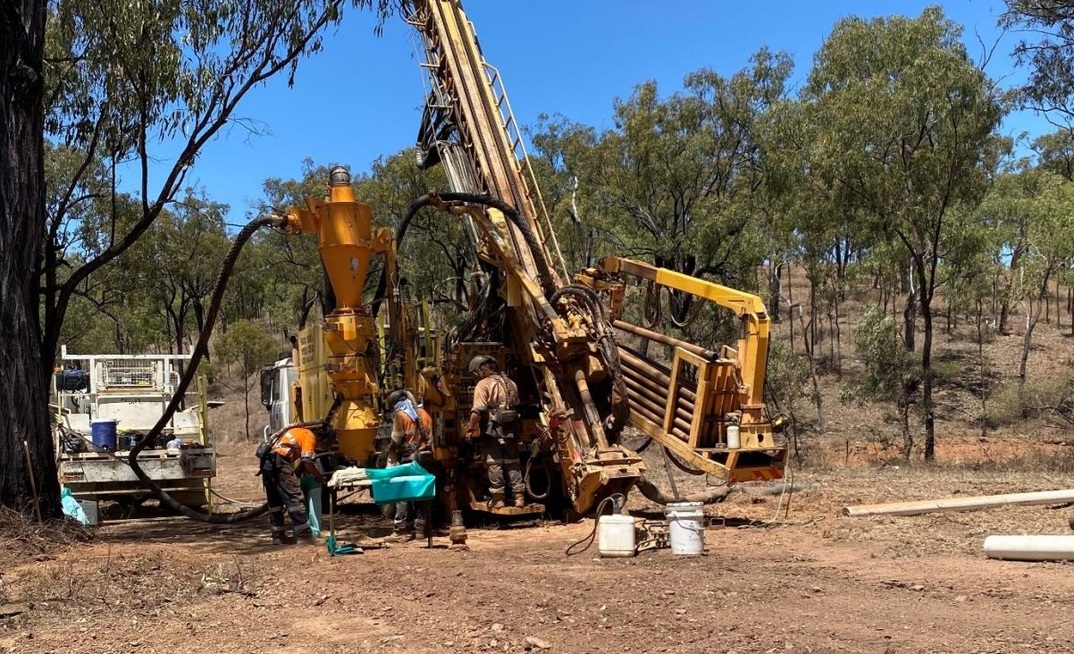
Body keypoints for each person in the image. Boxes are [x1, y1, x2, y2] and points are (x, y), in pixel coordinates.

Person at [466, 355, 525, 509]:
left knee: (494, 463)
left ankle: (498, 499)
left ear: (481, 369)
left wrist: (470, 429)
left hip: (492, 429)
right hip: (512, 428)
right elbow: (516, 404)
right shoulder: (510, 383)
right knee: (513, 462)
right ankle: (519, 497)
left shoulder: (483, 384)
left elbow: (477, 411)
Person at [261, 424, 326, 545]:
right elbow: (307, 461)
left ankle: (278, 536)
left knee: (275, 502)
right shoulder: (309, 435)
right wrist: (319, 477)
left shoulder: (296, 431)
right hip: (280, 461)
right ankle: (304, 536)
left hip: (267, 463)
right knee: (294, 499)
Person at [385, 389, 433, 540]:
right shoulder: (423, 413)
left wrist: (390, 448)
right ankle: (420, 530)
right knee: (421, 494)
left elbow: (397, 439)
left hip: (408, 460)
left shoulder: (400, 415)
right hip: (425, 459)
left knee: (402, 494)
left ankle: (401, 531)